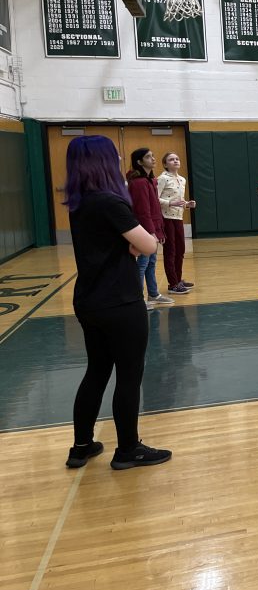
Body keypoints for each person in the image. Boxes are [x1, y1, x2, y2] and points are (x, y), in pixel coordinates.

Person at [63, 135, 172, 470]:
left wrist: (135, 244)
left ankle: (81, 446)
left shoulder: (81, 202)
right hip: (120, 301)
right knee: (129, 375)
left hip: (89, 300)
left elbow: (132, 244)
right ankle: (128, 449)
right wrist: (142, 242)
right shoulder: (110, 201)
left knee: (96, 371)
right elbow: (150, 244)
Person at [126, 147, 173, 309]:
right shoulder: (139, 183)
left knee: (151, 262)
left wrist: (159, 230)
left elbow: (155, 210)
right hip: (145, 230)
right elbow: (143, 211)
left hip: (152, 228)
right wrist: (151, 232)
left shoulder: (150, 181)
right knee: (142, 264)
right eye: (148, 157)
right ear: (139, 162)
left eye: (153, 156)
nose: (153, 159)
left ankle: (153, 293)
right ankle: (138, 298)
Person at [157, 152, 197, 294]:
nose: (175, 161)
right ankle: (172, 284)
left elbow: (178, 200)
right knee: (171, 251)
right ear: (165, 164)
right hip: (166, 218)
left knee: (180, 250)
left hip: (178, 218)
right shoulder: (162, 179)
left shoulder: (182, 179)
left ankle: (178, 279)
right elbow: (155, 199)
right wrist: (171, 203)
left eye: (177, 159)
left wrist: (187, 204)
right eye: (171, 159)